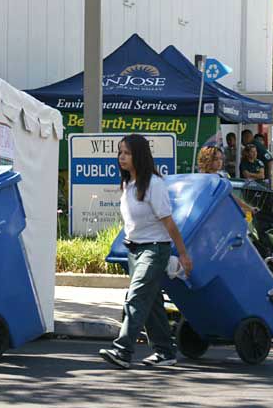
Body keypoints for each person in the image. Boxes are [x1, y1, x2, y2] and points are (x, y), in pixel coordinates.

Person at [99, 134, 192, 369]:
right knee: (151, 304)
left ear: (139, 155)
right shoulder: (128, 183)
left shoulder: (154, 184)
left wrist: (182, 254)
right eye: (120, 152)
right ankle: (165, 352)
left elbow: (169, 223)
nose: (121, 157)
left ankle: (122, 351)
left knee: (136, 297)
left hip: (154, 250)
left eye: (127, 153)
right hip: (135, 250)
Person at [198, 146, 256, 216]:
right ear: (207, 160)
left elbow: (230, 196)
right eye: (216, 159)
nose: (219, 162)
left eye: (221, 159)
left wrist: (248, 208)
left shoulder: (220, 177)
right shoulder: (204, 179)